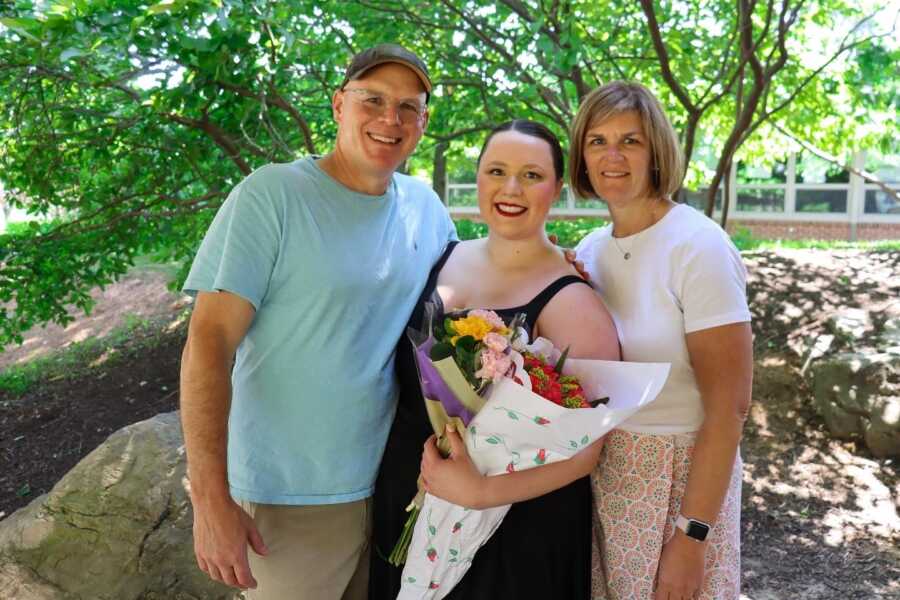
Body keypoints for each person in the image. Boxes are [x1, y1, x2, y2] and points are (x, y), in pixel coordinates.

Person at [178, 44, 458, 600]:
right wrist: (211, 500)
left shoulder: (425, 210)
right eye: (372, 99)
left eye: (409, 107)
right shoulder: (272, 195)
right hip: (286, 501)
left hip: (391, 489)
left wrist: (561, 261)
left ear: (424, 122)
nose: (390, 119)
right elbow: (208, 343)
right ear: (337, 105)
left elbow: (474, 291)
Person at [369, 119, 620, 599]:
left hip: (513, 537)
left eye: (531, 175)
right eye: (496, 171)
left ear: (557, 188)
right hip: (408, 503)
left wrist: (478, 493)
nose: (510, 189)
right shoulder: (441, 258)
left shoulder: (574, 303)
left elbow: (588, 452)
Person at [569, 81, 753, 600]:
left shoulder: (698, 247)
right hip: (608, 478)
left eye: (631, 141)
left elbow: (731, 407)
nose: (612, 155)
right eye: (597, 141)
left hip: (682, 485)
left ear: (657, 151)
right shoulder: (590, 249)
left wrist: (692, 536)